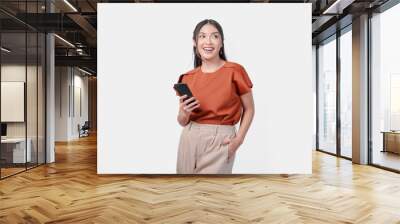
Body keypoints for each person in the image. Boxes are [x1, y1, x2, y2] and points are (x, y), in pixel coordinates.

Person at [176, 19, 255, 174]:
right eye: (202, 36)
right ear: (194, 42)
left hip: (221, 141)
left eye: (215, 36)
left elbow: (250, 109)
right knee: (184, 192)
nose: (208, 41)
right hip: (189, 137)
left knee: (211, 194)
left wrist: (238, 141)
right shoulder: (187, 77)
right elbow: (182, 121)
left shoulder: (235, 71)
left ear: (221, 43)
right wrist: (183, 113)